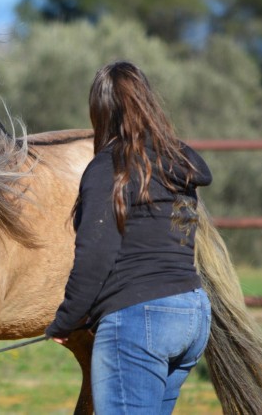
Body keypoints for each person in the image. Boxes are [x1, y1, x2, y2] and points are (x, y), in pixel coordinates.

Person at [46, 61, 213, 414]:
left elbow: (95, 255)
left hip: (140, 321)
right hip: (192, 313)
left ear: (100, 111)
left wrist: (67, 320)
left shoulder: (109, 168)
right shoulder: (176, 162)